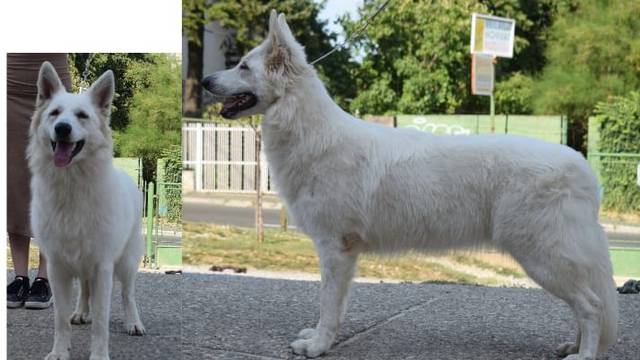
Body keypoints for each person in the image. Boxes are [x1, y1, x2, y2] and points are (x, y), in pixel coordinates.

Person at [7, 53, 72, 309]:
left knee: (52, 180)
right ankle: (20, 276)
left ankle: (44, 278)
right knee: (14, 182)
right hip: (10, 81)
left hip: (53, 81)